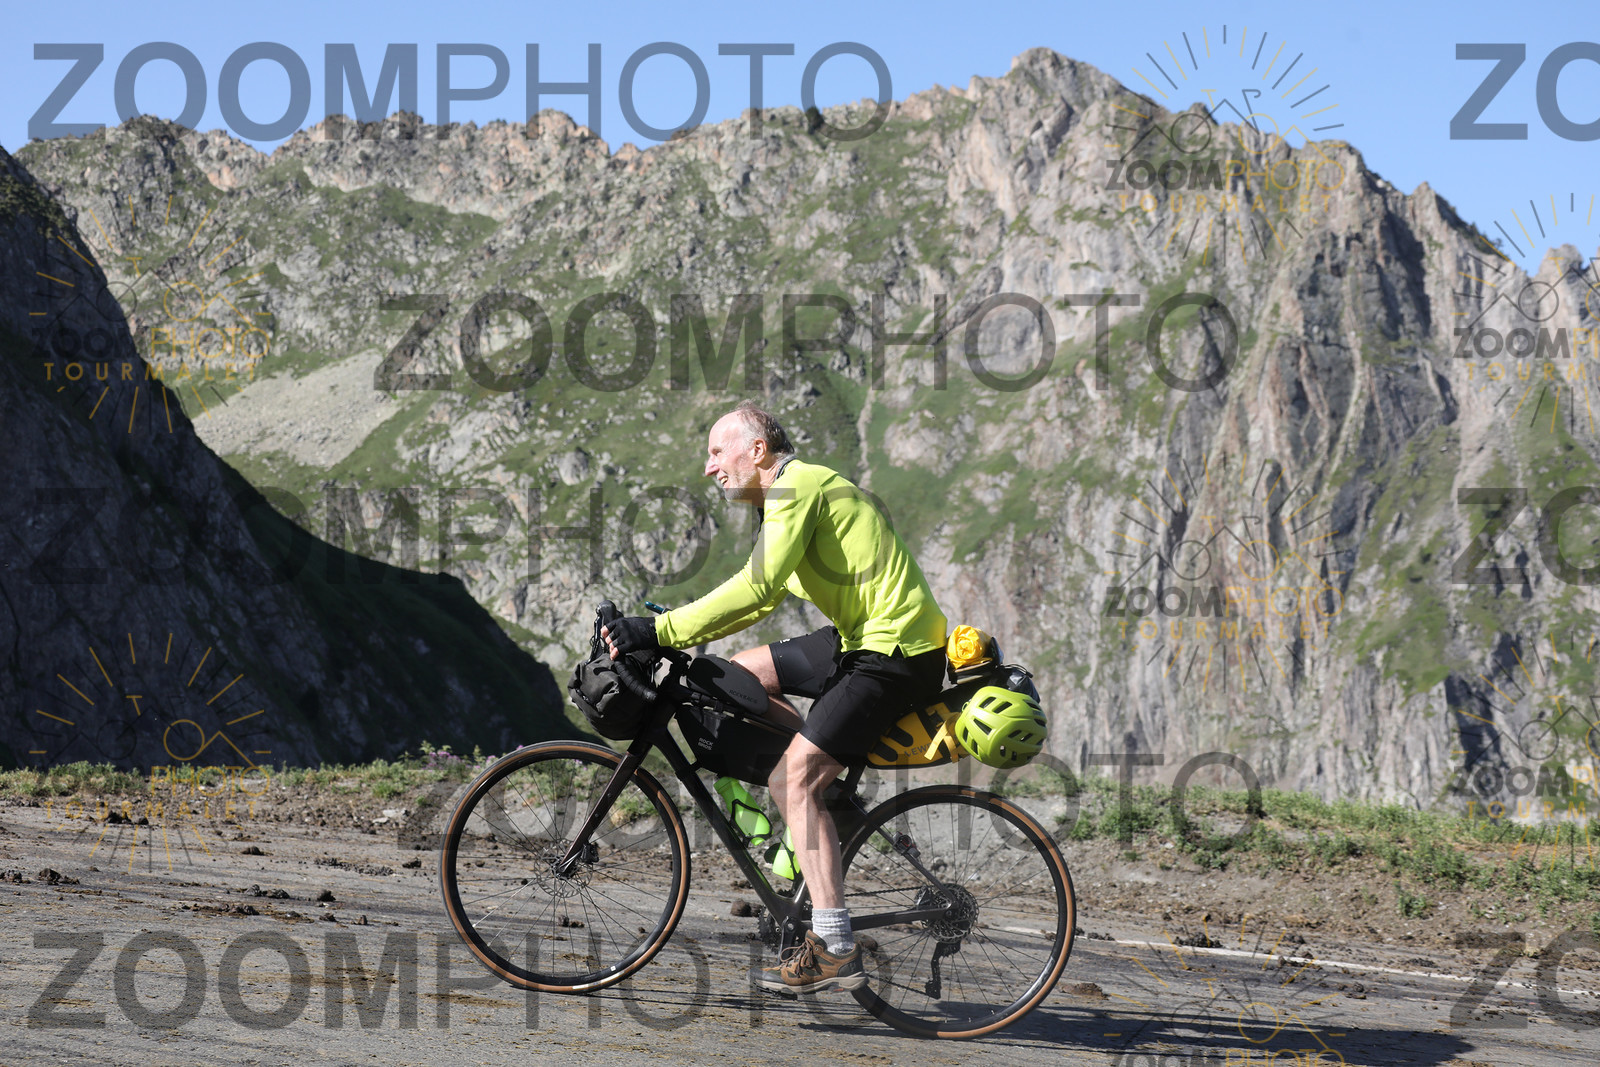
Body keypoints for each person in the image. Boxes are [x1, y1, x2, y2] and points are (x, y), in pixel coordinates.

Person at [602, 400, 948, 994]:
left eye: (717, 452)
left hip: (898, 651)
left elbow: (758, 588)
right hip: (858, 637)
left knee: (792, 778)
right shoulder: (781, 500)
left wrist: (658, 631)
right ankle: (821, 796)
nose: (709, 467)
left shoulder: (797, 486)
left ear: (757, 450)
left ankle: (834, 944)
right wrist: (670, 628)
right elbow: (758, 598)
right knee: (738, 676)